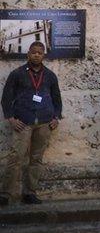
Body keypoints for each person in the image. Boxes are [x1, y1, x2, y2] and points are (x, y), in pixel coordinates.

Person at [1, 42, 62, 206]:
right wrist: (11, 119)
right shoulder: (17, 74)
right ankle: (5, 194)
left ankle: (30, 193)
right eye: (34, 52)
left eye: (40, 53)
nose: (36, 55)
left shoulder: (50, 76)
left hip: (44, 123)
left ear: (43, 55)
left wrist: (56, 117)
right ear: (28, 53)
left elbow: (57, 99)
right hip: (23, 122)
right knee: (16, 157)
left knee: (36, 159)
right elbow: (6, 98)